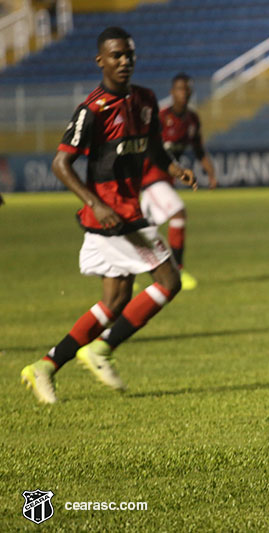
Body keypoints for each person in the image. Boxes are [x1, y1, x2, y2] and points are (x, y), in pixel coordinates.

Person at [20, 26, 197, 404]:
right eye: (116, 56)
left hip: (127, 210)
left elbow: (152, 148)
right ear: (100, 60)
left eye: (129, 55)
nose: (124, 62)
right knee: (169, 281)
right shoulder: (93, 110)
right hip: (113, 215)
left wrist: (174, 168)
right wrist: (96, 204)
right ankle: (101, 349)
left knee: (114, 301)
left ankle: (45, 366)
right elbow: (60, 163)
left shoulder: (146, 100)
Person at [139, 72, 217, 290]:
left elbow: (199, 149)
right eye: (180, 89)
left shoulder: (192, 120)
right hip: (151, 179)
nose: (184, 93)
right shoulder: (161, 118)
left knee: (143, 231)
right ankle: (178, 270)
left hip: (165, 181)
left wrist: (210, 173)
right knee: (178, 213)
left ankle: (128, 273)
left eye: (187, 89)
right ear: (172, 92)